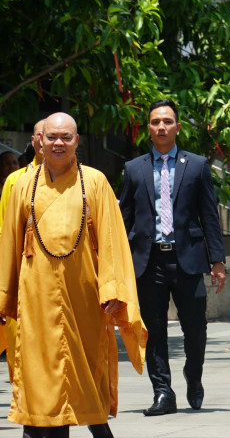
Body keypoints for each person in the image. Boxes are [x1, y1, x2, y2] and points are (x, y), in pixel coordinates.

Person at [0, 113, 146, 438]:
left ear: (76, 141)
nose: (58, 143)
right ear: (39, 141)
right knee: (40, 392)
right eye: (52, 137)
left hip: (83, 303)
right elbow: (9, 243)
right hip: (35, 306)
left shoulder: (94, 182)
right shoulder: (22, 185)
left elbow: (112, 239)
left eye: (66, 137)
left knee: (84, 385)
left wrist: (112, 288)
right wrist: (4, 299)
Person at [118, 99, 226, 416]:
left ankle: (193, 377)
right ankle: (163, 393)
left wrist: (217, 260)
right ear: (147, 129)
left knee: (195, 330)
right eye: (155, 122)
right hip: (148, 261)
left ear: (178, 127)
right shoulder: (134, 168)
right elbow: (122, 218)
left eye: (167, 121)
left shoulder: (196, 165)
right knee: (153, 331)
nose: (161, 127)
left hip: (188, 259)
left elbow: (209, 216)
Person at [0, 119, 45, 373]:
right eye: (41, 135)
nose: (45, 140)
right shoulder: (15, 181)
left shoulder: (80, 180)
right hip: (23, 272)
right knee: (19, 341)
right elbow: (5, 233)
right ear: (34, 140)